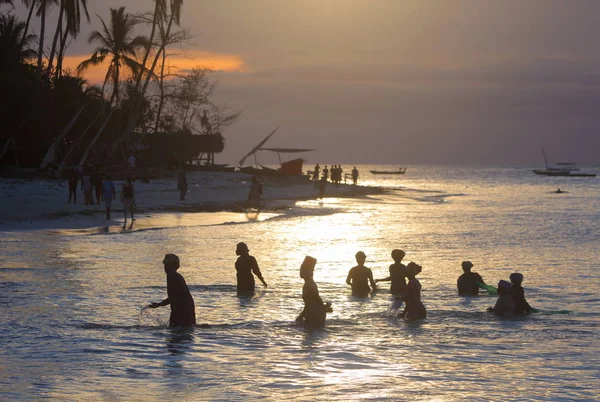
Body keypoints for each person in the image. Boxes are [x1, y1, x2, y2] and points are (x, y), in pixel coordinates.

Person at [148, 254, 196, 327]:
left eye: (166, 265)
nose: (165, 268)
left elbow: (174, 297)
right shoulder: (175, 276)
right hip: (185, 308)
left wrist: (159, 304)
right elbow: (175, 296)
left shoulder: (172, 276)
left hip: (182, 310)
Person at [296, 256, 332, 328]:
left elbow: (315, 299)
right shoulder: (309, 283)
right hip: (315, 313)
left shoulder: (309, 284)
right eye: (301, 269)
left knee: (310, 333)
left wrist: (323, 307)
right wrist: (324, 307)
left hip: (315, 314)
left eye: (303, 269)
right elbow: (312, 301)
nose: (301, 271)